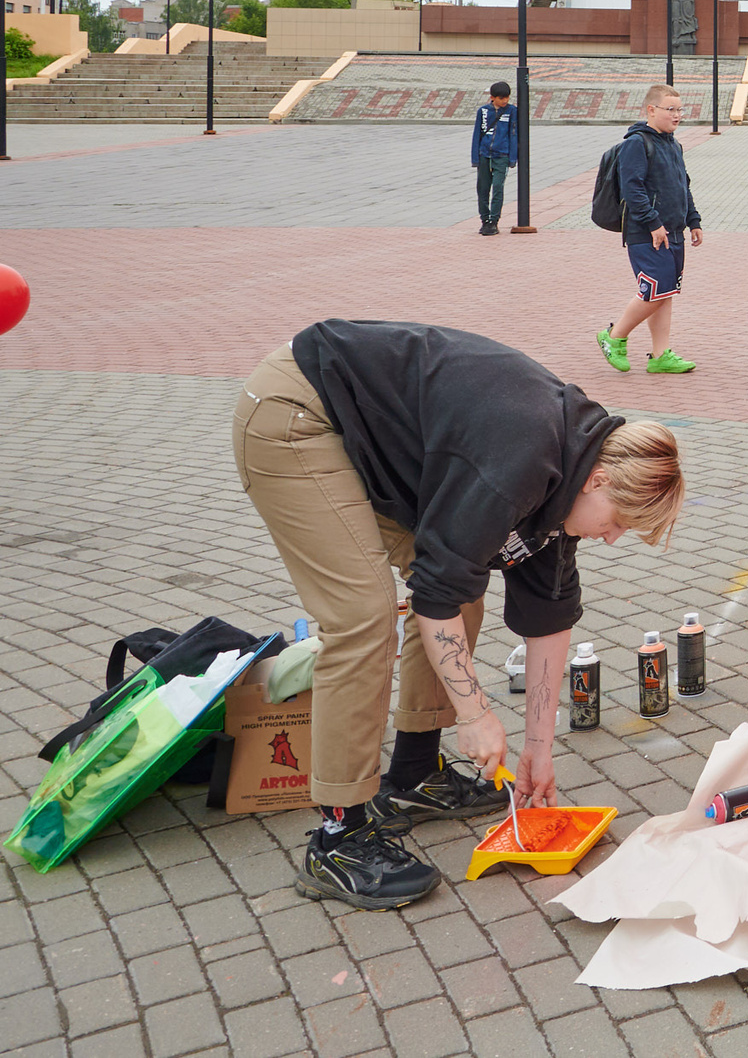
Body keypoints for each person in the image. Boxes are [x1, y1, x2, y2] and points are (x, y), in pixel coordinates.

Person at [232, 319, 685, 907]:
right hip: (297, 416)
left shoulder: (569, 479)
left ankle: (413, 775)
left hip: (365, 435)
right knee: (364, 618)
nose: (613, 537)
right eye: (619, 521)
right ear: (598, 479)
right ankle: (339, 838)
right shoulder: (519, 463)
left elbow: (549, 617)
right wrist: (474, 713)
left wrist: (538, 747)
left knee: (463, 584)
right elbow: (435, 594)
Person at [599, 83, 703, 375]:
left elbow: (683, 186)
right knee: (654, 290)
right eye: (671, 109)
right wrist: (653, 223)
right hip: (646, 232)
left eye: (680, 109)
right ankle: (614, 336)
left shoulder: (673, 144)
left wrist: (693, 220)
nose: (677, 115)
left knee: (665, 291)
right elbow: (632, 189)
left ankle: (660, 355)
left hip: (673, 231)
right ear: (651, 110)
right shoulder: (637, 143)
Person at [469, 82, 519, 236]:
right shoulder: (483, 111)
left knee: (498, 187)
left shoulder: (512, 111)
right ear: (492, 97)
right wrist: (475, 158)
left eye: (507, 97)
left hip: (501, 155)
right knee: (483, 188)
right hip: (484, 155)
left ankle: (494, 221)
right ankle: (484, 220)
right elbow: (477, 134)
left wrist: (512, 157)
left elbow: (513, 134)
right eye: (501, 98)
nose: (505, 101)